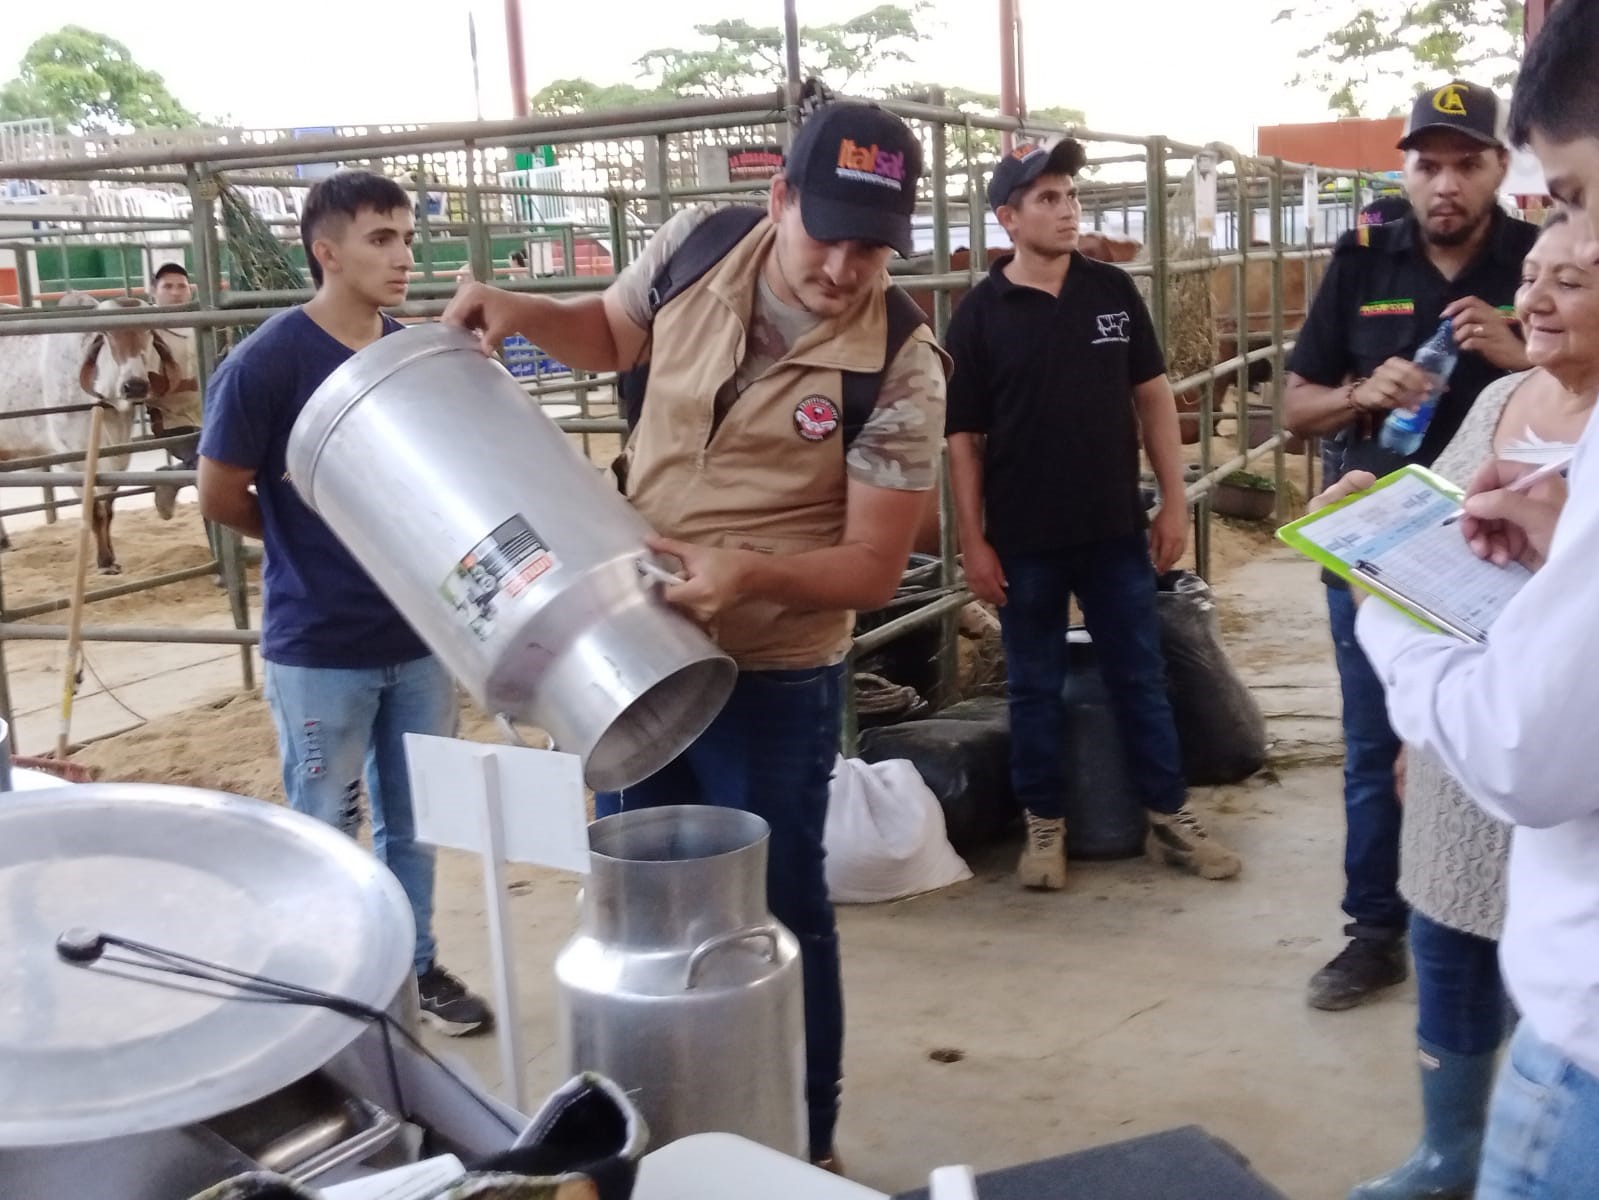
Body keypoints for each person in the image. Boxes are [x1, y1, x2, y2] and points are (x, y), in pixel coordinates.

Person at [442, 102, 947, 1170]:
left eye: (872, 247)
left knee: (772, 914)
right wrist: (523, 312)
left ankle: (801, 1144)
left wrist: (750, 574)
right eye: (828, 235)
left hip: (771, 675)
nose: (844, 269)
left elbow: (874, 565)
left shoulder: (901, 361)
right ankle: (649, 1142)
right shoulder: (698, 246)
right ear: (779, 199)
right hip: (630, 655)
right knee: (638, 901)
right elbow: (612, 332)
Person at [1349, 6, 1599, 1192]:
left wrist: (1385, 604)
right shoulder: (1497, 400)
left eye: (1578, 220)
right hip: (1477, 732)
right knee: (1443, 922)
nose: (1547, 287)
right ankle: (1442, 1135)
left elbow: (1521, 747)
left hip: (1581, 1001)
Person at [198, 170, 492, 1037]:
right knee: (327, 816)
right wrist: (312, 540)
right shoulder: (266, 363)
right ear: (326, 252)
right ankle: (330, 979)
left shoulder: (410, 356)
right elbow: (220, 494)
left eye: (407, 238)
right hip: (320, 642)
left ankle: (413, 966)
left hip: (419, 632)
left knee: (416, 815)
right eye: (381, 239)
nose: (404, 257)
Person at [1283, 79, 1540, 1012]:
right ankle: (1373, 933)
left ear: (1500, 167)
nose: (1444, 184)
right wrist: (1360, 394)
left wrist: (1521, 353)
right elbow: (1294, 409)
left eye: (1465, 164)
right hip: (1376, 551)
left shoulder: (1540, 259)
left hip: (1498, 559)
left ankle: (1506, 926)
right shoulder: (1363, 258)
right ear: (1405, 171)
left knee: (1498, 747)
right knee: (1370, 747)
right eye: (1427, 165)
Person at [943, 139, 1242, 890]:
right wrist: (973, 542)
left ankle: (1169, 814)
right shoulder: (978, 316)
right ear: (1008, 218)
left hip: (1114, 527)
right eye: (1046, 198)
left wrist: (1171, 501)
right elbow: (963, 440)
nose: (1067, 208)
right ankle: (1045, 824)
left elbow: (1152, 398)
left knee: (1140, 675)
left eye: (1070, 194)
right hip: (1024, 538)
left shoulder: (1111, 290)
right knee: (1033, 685)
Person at [147, 263, 204, 521]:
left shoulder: (199, 321)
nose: (176, 292)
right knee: (207, 471)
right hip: (173, 418)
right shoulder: (147, 330)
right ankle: (222, 542)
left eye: (182, 286)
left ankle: (172, 476)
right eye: (168, 286)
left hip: (208, 412)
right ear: (154, 291)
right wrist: (194, 383)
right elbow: (147, 384)